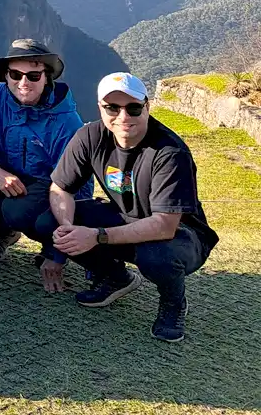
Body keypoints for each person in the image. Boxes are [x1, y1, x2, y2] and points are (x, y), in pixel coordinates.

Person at [41, 73, 219, 342]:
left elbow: (164, 225)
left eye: (133, 107)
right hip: (125, 219)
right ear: (100, 108)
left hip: (181, 235)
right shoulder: (90, 136)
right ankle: (115, 278)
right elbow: (60, 188)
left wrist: (96, 236)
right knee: (49, 221)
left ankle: (173, 303)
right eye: (112, 107)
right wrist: (68, 227)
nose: (123, 116)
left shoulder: (170, 152)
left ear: (147, 107)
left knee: (155, 254)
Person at [0, 39, 88, 291]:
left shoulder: (66, 122)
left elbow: (78, 186)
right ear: (6, 76)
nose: (23, 83)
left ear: (46, 77)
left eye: (33, 75)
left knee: (19, 212)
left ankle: (50, 243)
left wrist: (56, 253)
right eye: (15, 74)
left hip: (50, 186)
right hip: (7, 172)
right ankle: (2, 233)